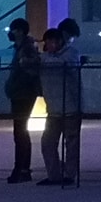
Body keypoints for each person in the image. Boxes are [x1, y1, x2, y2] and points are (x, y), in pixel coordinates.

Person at [37, 25, 84, 186]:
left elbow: (64, 64)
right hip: (53, 109)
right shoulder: (44, 58)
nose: (50, 45)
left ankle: (69, 175)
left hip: (71, 107)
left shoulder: (71, 54)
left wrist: (41, 59)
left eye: (52, 41)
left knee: (71, 143)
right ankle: (54, 175)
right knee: (48, 143)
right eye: (47, 42)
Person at [4, 18, 43, 183]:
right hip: (19, 92)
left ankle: (20, 168)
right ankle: (23, 168)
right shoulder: (22, 47)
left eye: (13, 29)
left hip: (23, 93)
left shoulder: (27, 48)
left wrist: (24, 65)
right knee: (20, 131)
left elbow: (34, 65)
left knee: (19, 131)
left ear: (19, 31)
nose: (11, 33)